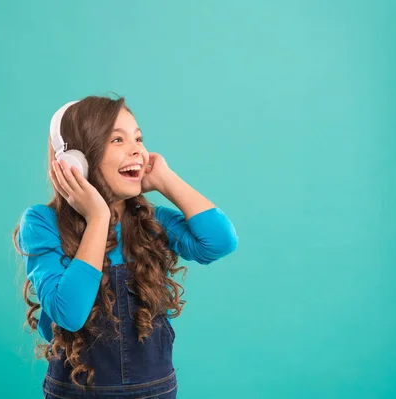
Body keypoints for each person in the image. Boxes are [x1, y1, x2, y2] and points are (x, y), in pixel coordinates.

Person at [13, 95, 238, 398]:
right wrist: (98, 218)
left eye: (139, 138)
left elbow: (220, 242)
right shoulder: (42, 222)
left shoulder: (149, 220)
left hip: (155, 391)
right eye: (117, 139)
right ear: (76, 161)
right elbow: (70, 313)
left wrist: (166, 180)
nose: (137, 149)